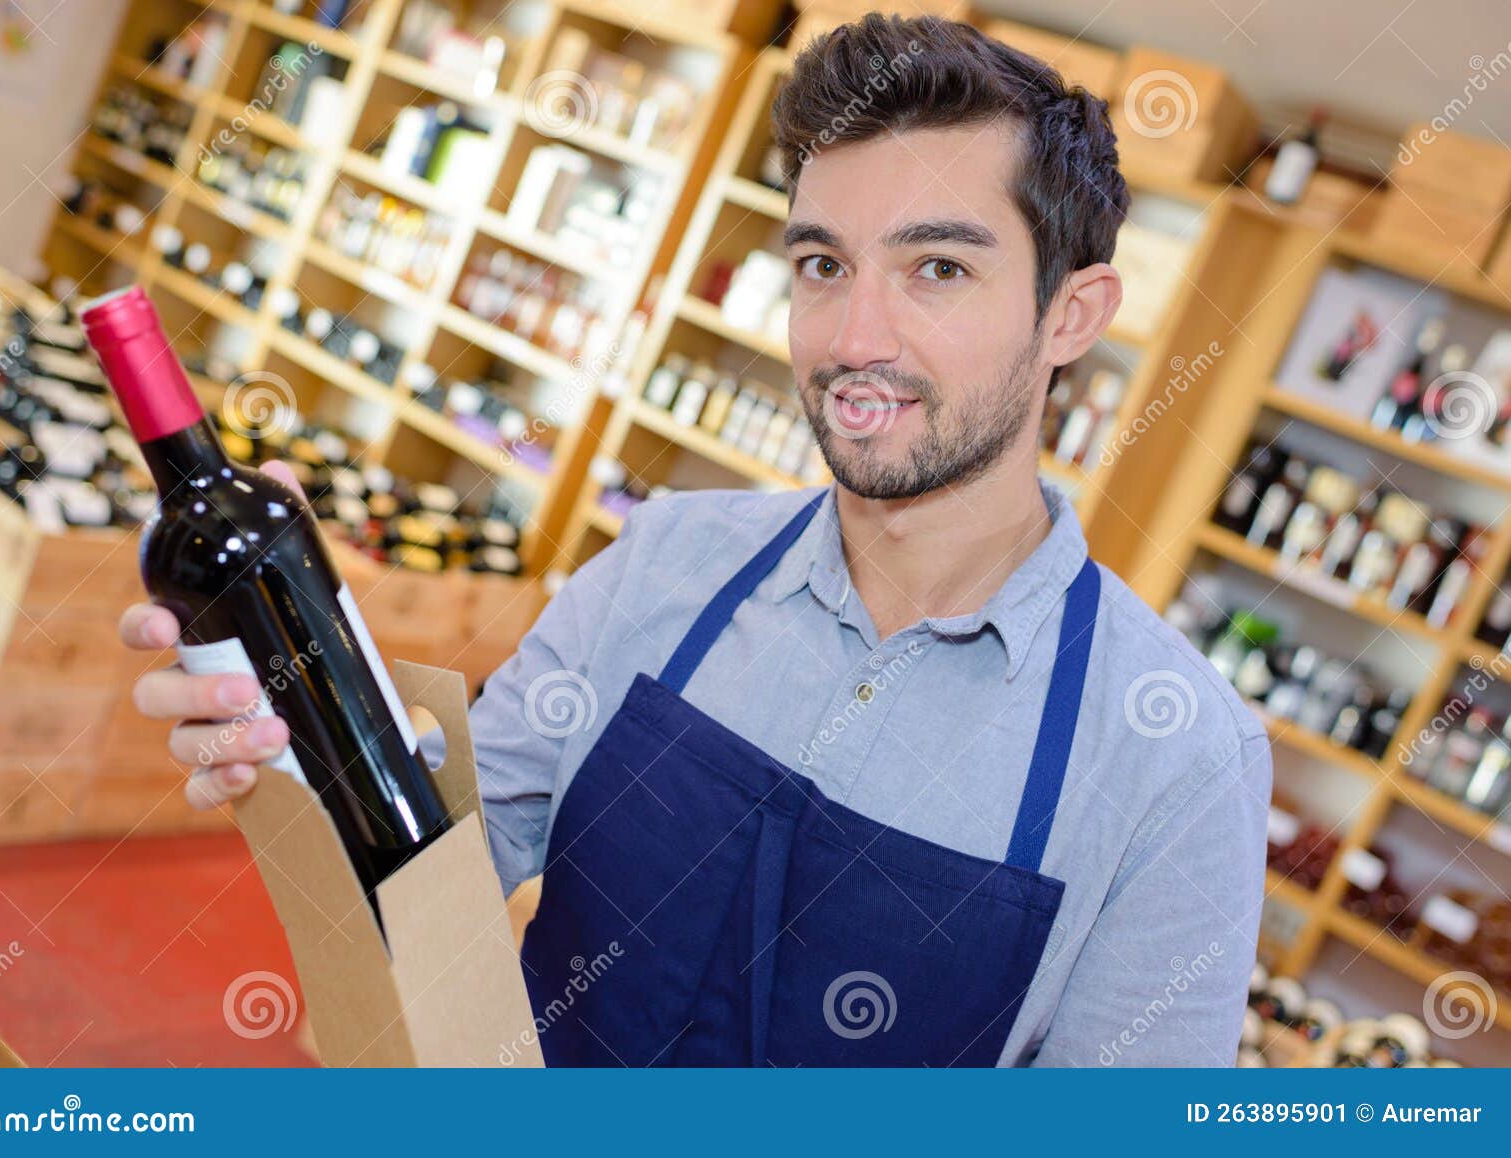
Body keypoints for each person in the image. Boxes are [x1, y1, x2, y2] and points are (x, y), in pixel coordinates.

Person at [118, 14, 1271, 1066]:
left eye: (937, 268)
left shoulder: (1175, 759)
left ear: (1071, 313)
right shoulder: (661, 565)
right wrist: (306, 711)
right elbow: (426, 890)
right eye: (823, 265)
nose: (855, 335)